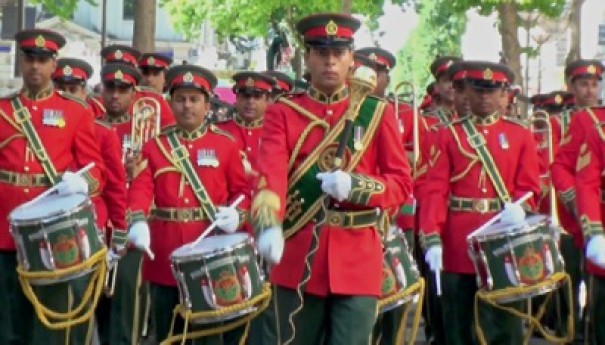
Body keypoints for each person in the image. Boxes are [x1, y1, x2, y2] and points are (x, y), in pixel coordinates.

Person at [250, 13, 412, 344]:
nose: (330, 62)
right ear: (307, 56)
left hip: (357, 257)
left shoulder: (377, 112)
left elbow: (401, 183)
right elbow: (271, 173)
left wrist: (358, 187)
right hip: (297, 253)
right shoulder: (284, 112)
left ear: (352, 58)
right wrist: (268, 224)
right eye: (321, 53)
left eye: (338, 53)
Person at [127, 64, 250, 344]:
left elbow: (243, 192)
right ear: (171, 102)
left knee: (207, 336)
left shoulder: (226, 145)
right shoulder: (154, 146)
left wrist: (237, 215)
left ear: (207, 104)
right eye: (180, 99)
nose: (187, 106)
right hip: (165, 252)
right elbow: (141, 189)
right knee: (168, 332)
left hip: (209, 253)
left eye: (194, 99)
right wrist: (136, 222)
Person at [419, 60, 541, 345]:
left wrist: (520, 210)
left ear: (504, 95)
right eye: (478, 90)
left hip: (502, 240)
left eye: (492, 90)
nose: (485, 97)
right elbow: (434, 190)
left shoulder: (519, 135)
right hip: (457, 242)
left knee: (504, 323)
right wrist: (432, 237)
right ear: (467, 93)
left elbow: (530, 187)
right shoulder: (449, 134)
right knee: (458, 324)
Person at [0, 28, 105, 344]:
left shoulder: (75, 111)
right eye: (30, 59)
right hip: (4, 231)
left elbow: (96, 172)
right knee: (8, 326)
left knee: (50, 328)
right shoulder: (3, 110)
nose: (35, 67)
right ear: (21, 61)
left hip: (52, 235)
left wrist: (79, 184)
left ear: (53, 64)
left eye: (42, 60)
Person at [52, 57, 130, 345]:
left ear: (85, 92)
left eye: (75, 88)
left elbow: (115, 187)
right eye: (62, 87)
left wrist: (119, 233)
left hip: (89, 226)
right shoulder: (42, 126)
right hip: (48, 225)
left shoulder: (102, 132)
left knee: (84, 304)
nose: (69, 94)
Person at [354, 46, 418, 345]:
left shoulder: (394, 113)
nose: (369, 78)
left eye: (377, 73)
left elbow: (401, 173)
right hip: (353, 221)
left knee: (393, 300)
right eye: (362, 71)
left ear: (385, 79)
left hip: (389, 215)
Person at [550, 59, 604, 342]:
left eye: (595, 84)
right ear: (571, 87)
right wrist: (572, 197)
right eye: (584, 84)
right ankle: (575, 326)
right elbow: (562, 166)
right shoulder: (583, 120)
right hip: (586, 211)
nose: (590, 90)